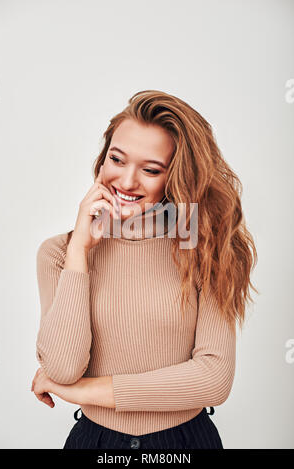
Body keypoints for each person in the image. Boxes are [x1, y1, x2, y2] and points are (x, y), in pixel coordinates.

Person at [31, 90, 258, 450]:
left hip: (186, 443)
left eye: (151, 170)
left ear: (177, 177)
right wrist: (80, 252)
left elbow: (214, 380)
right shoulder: (59, 253)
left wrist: (81, 391)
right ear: (102, 159)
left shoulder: (206, 251)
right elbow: (62, 367)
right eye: (117, 159)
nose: (126, 182)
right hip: (96, 442)